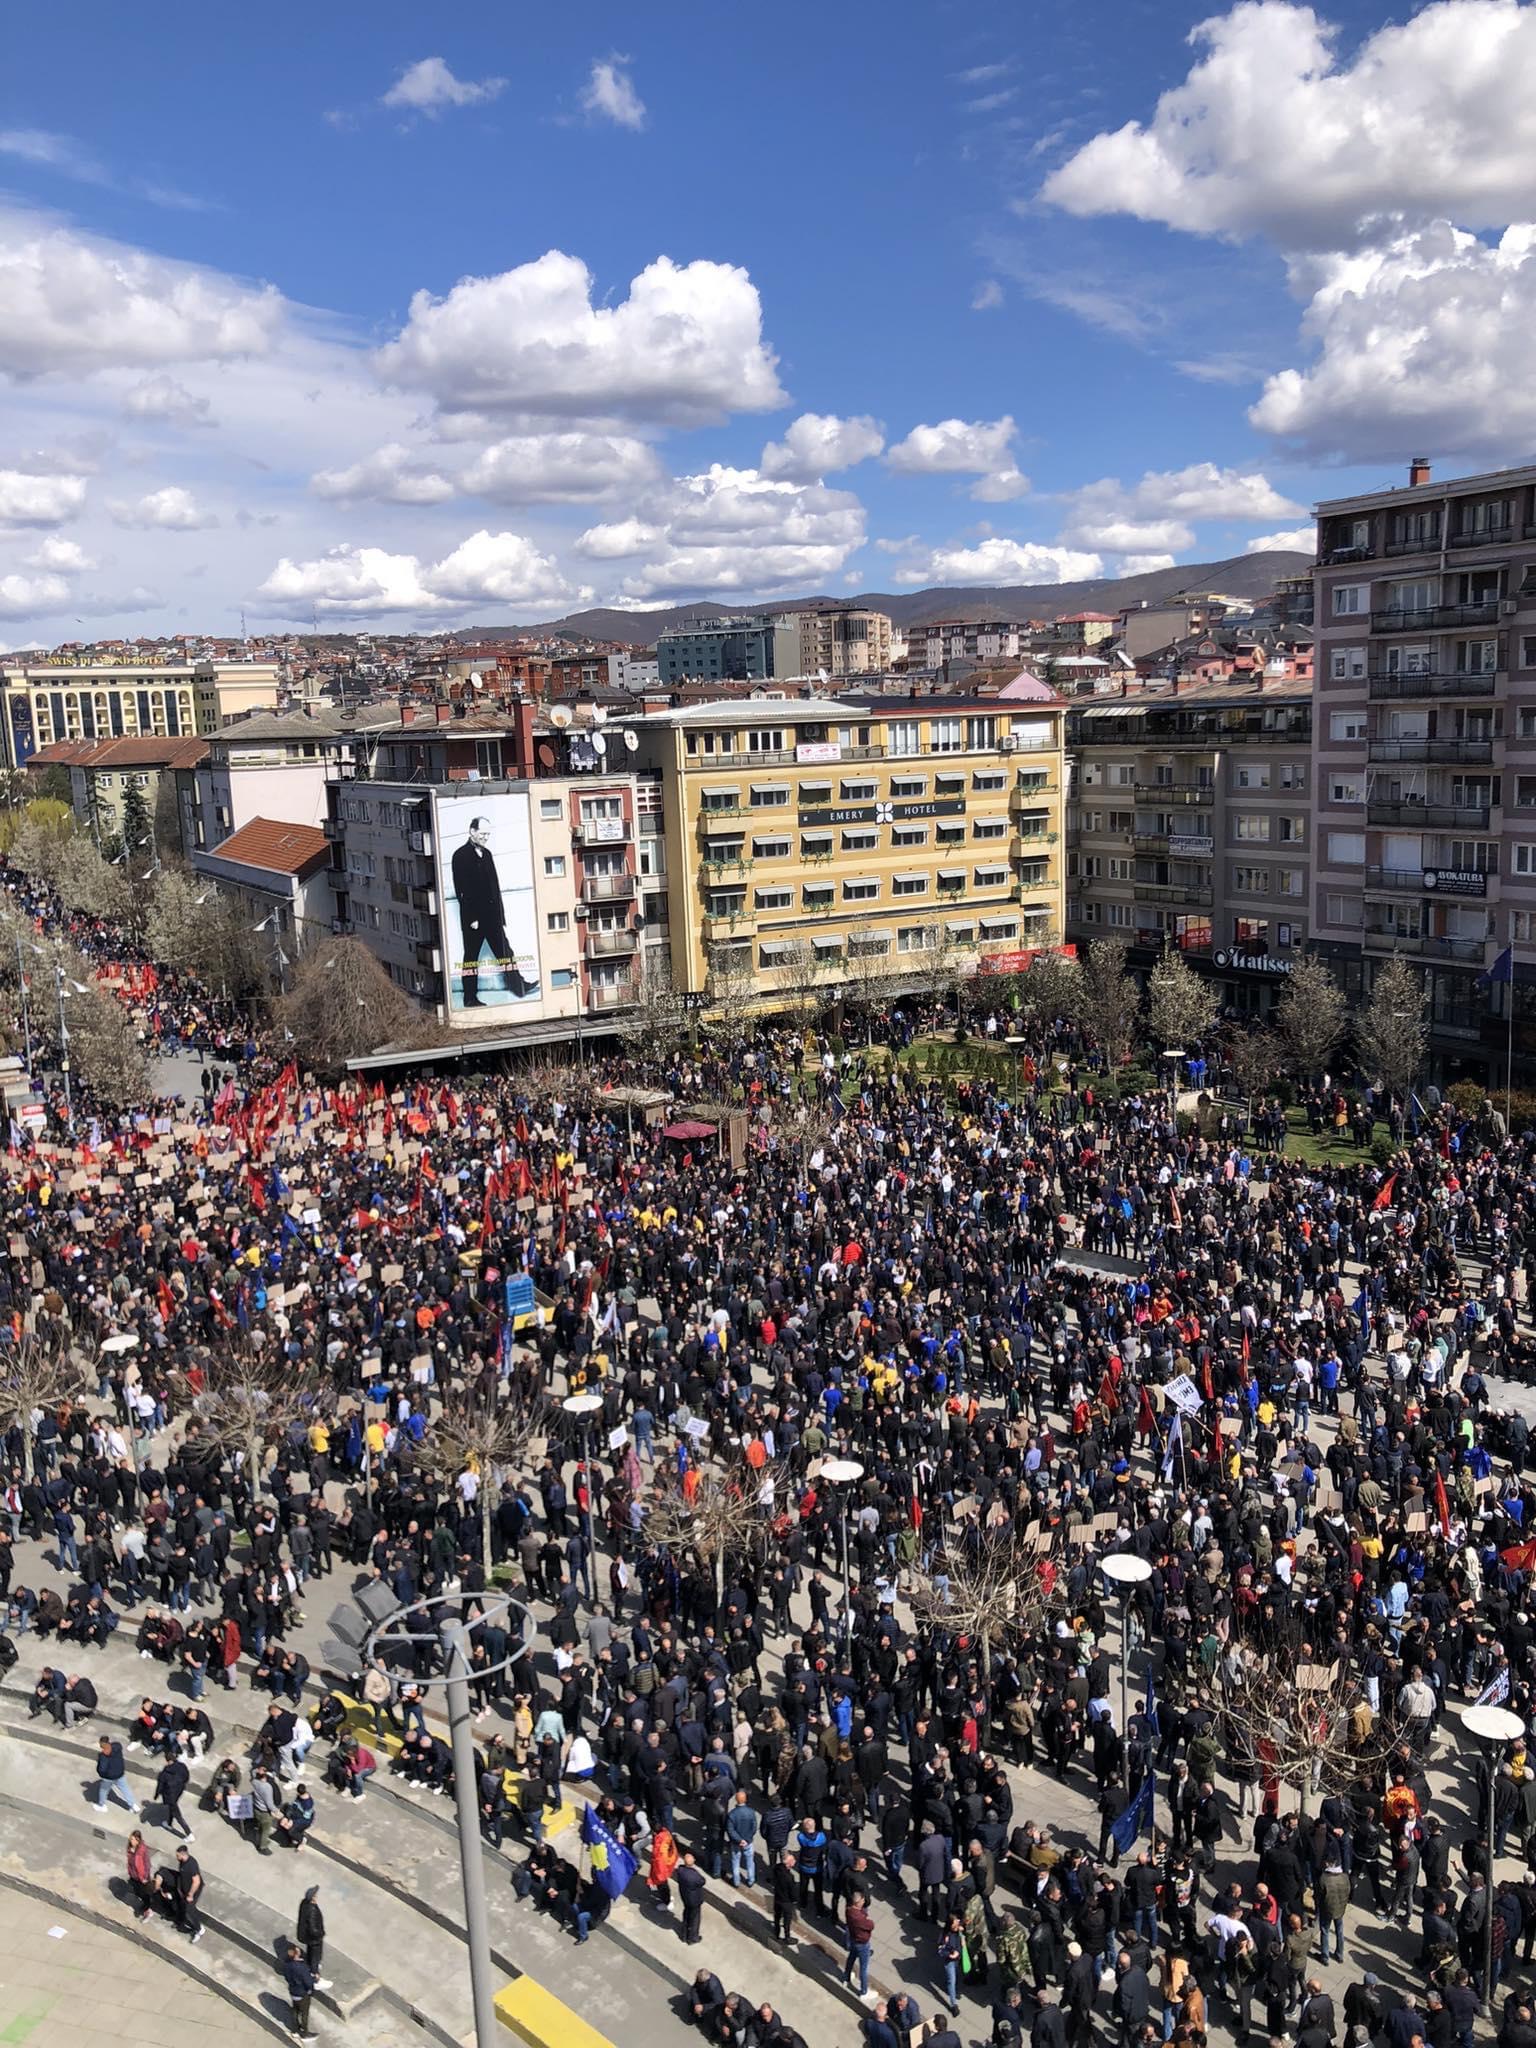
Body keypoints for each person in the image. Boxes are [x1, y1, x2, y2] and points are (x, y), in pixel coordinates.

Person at [451, 817, 534, 1007]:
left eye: (488, 834)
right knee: (471, 958)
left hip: (492, 916)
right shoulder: (460, 855)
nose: (486, 837)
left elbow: (494, 887)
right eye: (483, 833)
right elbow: (461, 889)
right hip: (475, 919)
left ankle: (518, 986)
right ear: (472, 831)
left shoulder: (487, 854)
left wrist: (501, 915)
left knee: (506, 952)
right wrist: (472, 918)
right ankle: (469, 997)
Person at [282, 1941, 318, 2043]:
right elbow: (308, 1982)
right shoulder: (301, 1968)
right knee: (304, 2013)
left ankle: (295, 2030)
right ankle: (305, 2033)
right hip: (302, 1993)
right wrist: (314, 1980)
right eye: (298, 1950)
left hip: (293, 1991)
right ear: (296, 1954)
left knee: (295, 2010)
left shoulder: (287, 1965)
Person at [297, 1887, 333, 1989]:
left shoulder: (304, 1903)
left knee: (310, 1953)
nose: (317, 1896)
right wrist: (321, 1934)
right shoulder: (312, 1909)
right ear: (313, 1897)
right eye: (315, 1895)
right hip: (314, 1939)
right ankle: (316, 1978)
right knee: (315, 1957)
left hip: (307, 1937)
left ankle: (312, 1966)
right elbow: (313, 1929)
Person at [93, 1736, 138, 1813]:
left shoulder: (103, 1756)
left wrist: (100, 1772)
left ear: (102, 1744)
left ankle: (102, 1805)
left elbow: (102, 1769)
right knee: (125, 1789)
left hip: (109, 1778)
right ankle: (133, 1805)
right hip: (120, 1774)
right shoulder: (117, 1746)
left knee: (103, 1790)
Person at [173, 1845, 203, 1943]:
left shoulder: (191, 1864)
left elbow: (197, 1881)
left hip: (192, 1891)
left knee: (190, 1910)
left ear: (183, 1854)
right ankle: (181, 1921)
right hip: (184, 1890)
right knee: (183, 1906)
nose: (176, 1857)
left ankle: (199, 1929)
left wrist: (190, 1895)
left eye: (177, 1855)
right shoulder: (182, 1862)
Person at [676, 1850, 706, 1944]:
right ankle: (693, 1938)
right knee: (694, 1919)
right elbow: (702, 1881)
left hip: (685, 1898)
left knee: (686, 1915)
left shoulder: (680, 1870)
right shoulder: (695, 1876)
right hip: (695, 1901)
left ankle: (684, 1935)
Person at [125, 1829, 155, 1919]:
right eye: (131, 1839)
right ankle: (147, 1906)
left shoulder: (140, 1851)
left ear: (138, 1840)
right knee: (138, 1892)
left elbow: (143, 1865)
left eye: (133, 1840)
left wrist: (144, 1878)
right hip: (135, 1877)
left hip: (142, 1878)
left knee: (145, 1894)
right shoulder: (131, 1849)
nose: (131, 1841)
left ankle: (148, 1910)